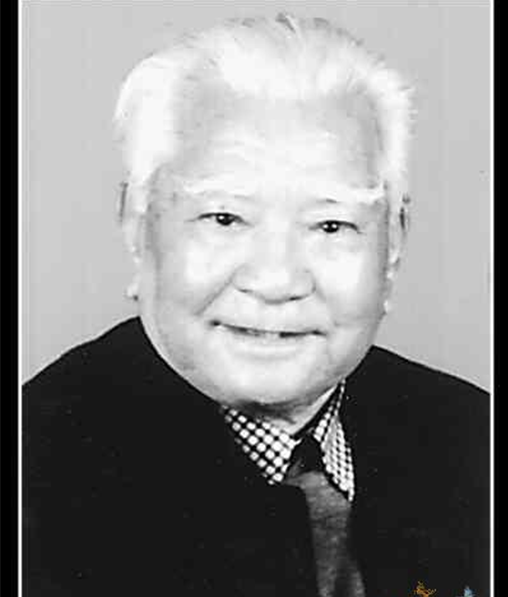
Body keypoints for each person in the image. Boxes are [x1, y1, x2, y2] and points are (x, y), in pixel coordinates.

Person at [23, 13, 489, 597]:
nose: (276, 281)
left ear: (393, 241)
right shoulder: (32, 471)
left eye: (331, 224)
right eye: (224, 218)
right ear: (137, 224)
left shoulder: (472, 438)